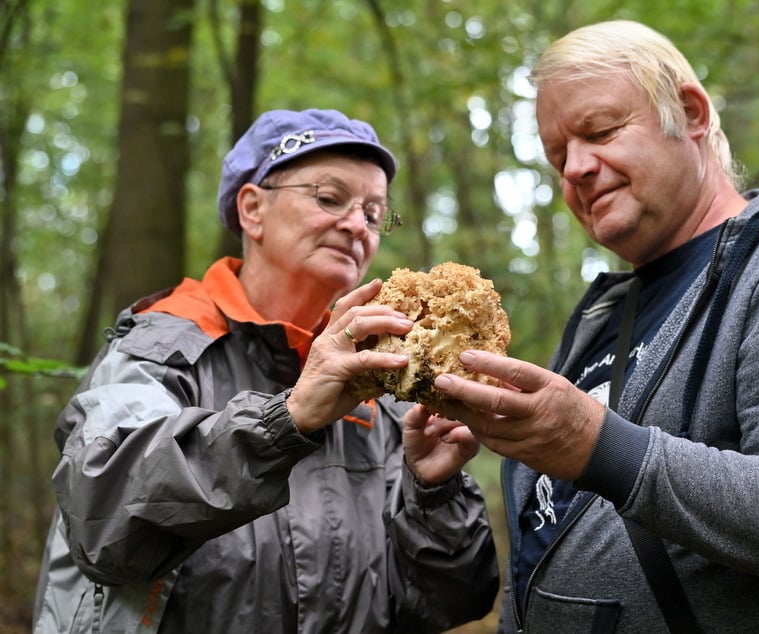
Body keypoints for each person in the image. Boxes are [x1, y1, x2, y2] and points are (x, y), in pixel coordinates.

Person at [432, 20, 759, 633]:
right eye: (556, 155)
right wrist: (435, 485)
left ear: (691, 112)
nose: (574, 168)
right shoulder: (604, 313)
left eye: (599, 132)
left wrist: (604, 449)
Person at [32, 108, 498, 633]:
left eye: (373, 212)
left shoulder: (381, 382)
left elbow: (449, 604)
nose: (355, 225)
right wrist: (287, 419)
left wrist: (433, 494)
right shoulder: (161, 344)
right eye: (329, 198)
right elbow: (102, 525)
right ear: (252, 209)